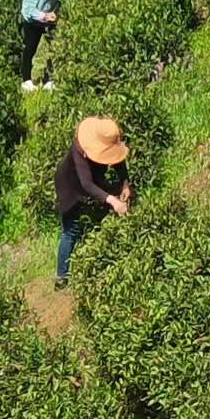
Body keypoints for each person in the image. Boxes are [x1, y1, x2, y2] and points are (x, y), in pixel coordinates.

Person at [55, 116, 132, 289]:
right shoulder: (79, 149)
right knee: (71, 230)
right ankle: (61, 277)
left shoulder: (108, 142)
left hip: (92, 180)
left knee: (105, 208)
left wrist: (125, 183)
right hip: (69, 186)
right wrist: (113, 201)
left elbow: (118, 160)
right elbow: (87, 184)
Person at [20, 0, 74, 92]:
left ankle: (50, 78)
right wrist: (43, 15)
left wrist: (63, 12)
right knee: (30, 47)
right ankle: (26, 80)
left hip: (53, 16)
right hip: (33, 19)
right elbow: (27, 9)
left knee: (55, 48)